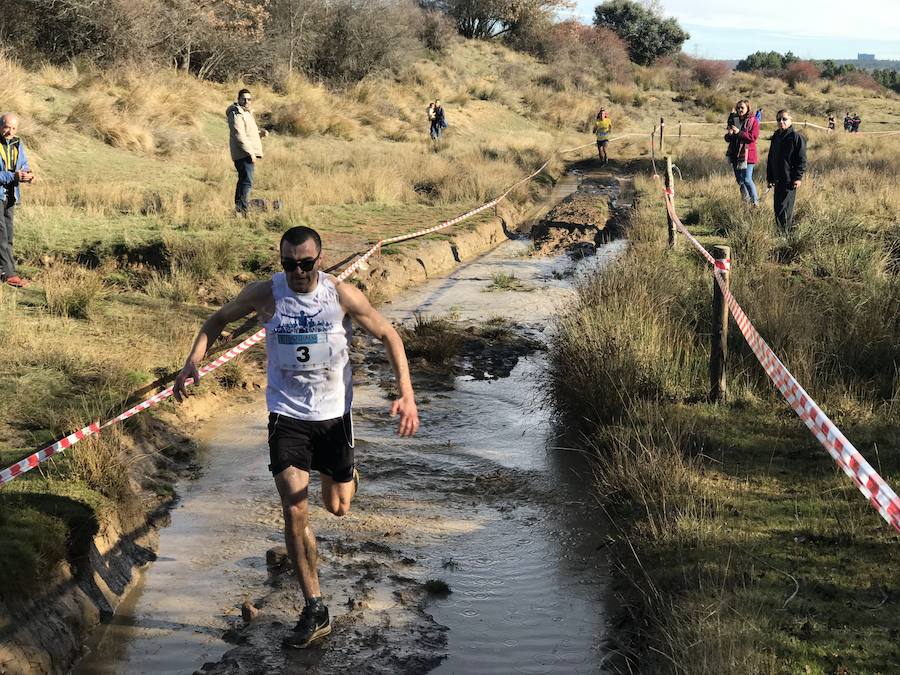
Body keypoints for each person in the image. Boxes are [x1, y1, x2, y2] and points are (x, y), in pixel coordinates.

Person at [174, 226, 419, 649]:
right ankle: (315, 607)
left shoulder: (342, 295)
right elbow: (216, 320)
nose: (298, 272)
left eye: (306, 264)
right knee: (294, 510)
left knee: (337, 506)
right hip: (287, 416)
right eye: (290, 264)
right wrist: (192, 361)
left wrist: (407, 394)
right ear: (281, 261)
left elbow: (389, 335)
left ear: (319, 261)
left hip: (334, 416)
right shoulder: (265, 295)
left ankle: (346, 474)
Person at [0, 113, 34, 288]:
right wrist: (13, 176)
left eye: (13, 128)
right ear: (0, 126)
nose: (9, 131)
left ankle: (6, 271)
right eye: (6, 127)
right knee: (1, 235)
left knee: (9, 234)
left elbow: (24, 164)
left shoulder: (17, 144)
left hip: (11, 195)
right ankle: (9, 275)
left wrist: (27, 175)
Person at [227, 89, 267, 215]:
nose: (246, 101)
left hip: (245, 152)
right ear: (238, 99)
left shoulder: (246, 113)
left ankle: (239, 209)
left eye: (249, 99)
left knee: (244, 180)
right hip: (243, 153)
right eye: (243, 98)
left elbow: (248, 134)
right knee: (247, 182)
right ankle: (242, 210)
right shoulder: (236, 113)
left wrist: (260, 134)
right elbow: (239, 135)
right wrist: (250, 153)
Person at [766, 109, 807, 232]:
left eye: (784, 119)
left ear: (791, 120)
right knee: (777, 207)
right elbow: (771, 157)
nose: (781, 122)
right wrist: (770, 177)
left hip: (790, 179)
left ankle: (785, 235)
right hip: (777, 178)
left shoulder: (796, 137)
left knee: (785, 208)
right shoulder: (776, 136)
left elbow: (802, 160)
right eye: (778, 119)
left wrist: (798, 178)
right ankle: (780, 232)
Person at [724, 99, 760, 206]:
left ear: (748, 108)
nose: (740, 109)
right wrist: (730, 134)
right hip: (735, 154)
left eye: (742, 107)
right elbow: (728, 139)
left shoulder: (753, 121)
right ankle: (746, 202)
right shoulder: (734, 120)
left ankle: (755, 203)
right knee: (740, 180)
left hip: (748, 155)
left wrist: (739, 132)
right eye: (738, 107)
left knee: (747, 179)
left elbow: (753, 137)